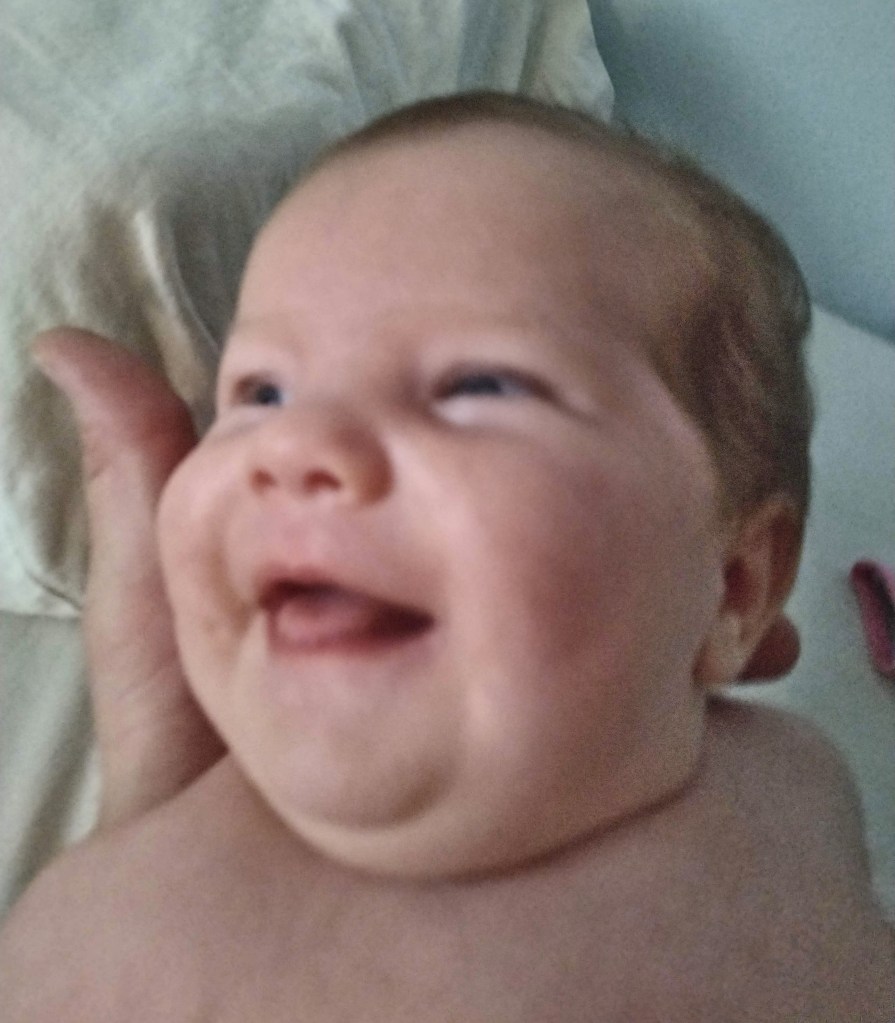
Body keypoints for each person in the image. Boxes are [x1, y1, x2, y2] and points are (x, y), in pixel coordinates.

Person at [2, 93, 892, 1019]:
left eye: (479, 383)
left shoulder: (802, 780)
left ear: (736, 584)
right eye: (262, 392)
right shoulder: (96, 950)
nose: (296, 444)